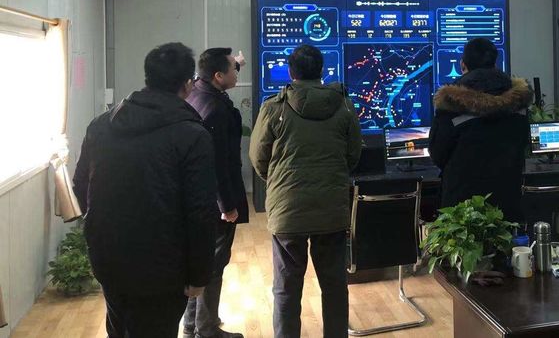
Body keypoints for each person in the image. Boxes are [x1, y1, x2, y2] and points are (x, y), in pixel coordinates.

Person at [73, 42, 217, 338]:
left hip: (108, 257)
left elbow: (80, 188)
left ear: (148, 77)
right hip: (164, 266)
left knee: (119, 327)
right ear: (188, 84)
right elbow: (200, 212)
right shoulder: (192, 135)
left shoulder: (100, 125)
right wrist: (200, 274)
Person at [249, 44, 361, 338]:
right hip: (331, 209)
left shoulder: (273, 107)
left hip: (288, 211)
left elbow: (258, 158)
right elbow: (353, 156)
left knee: (286, 288)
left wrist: (279, 182)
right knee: (334, 286)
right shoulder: (344, 106)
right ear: (322, 71)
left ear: (291, 72)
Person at [428, 37, 532, 221]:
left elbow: (438, 154)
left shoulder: (451, 104)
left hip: (462, 212)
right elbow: (524, 144)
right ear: (494, 63)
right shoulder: (518, 102)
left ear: (463, 65)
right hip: (506, 205)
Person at [183, 48, 249, 338]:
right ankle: (206, 329)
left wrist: (235, 62)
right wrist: (227, 205)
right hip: (215, 202)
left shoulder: (197, 92)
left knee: (201, 261)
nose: (237, 72)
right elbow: (218, 163)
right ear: (219, 76)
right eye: (234, 69)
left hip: (199, 197)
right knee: (213, 265)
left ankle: (192, 324)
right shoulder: (216, 110)